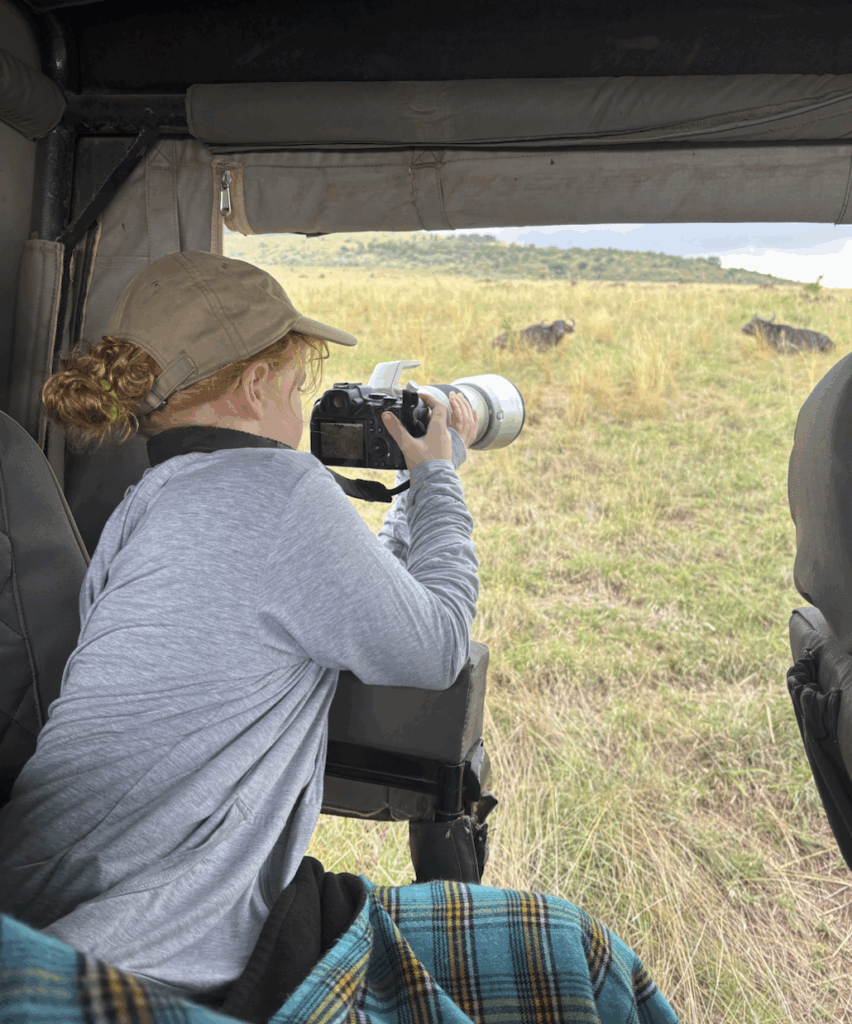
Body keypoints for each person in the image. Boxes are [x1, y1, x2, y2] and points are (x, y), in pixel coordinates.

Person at [0, 251, 682, 1024]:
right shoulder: (280, 489)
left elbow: (350, 601)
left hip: (43, 902)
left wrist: (402, 501)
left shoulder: (143, 506)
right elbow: (434, 645)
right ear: (255, 384)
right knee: (579, 956)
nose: (301, 402)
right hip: (165, 945)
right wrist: (437, 480)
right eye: (295, 384)